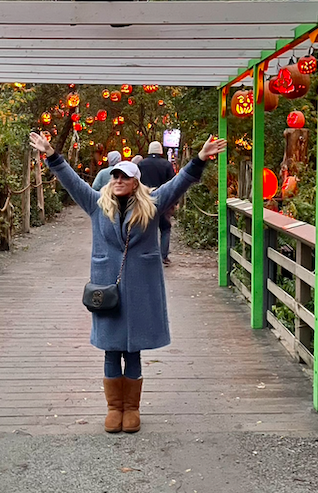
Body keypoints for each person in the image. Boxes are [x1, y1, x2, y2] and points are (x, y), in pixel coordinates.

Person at [29, 131, 227, 434]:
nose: (118, 180)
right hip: (107, 287)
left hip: (141, 288)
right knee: (111, 348)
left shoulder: (152, 203)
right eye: (115, 176)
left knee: (133, 349)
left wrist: (199, 159)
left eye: (125, 177)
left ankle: (132, 409)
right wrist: (52, 155)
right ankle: (114, 408)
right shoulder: (96, 204)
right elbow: (71, 182)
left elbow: (178, 184)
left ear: (135, 182)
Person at [138, 141, 176, 265]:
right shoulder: (166, 165)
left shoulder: (141, 164)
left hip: (145, 200)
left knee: (145, 228)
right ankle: (163, 256)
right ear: (160, 151)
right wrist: (175, 202)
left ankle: (144, 254)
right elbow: (173, 184)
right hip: (163, 201)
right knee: (165, 228)